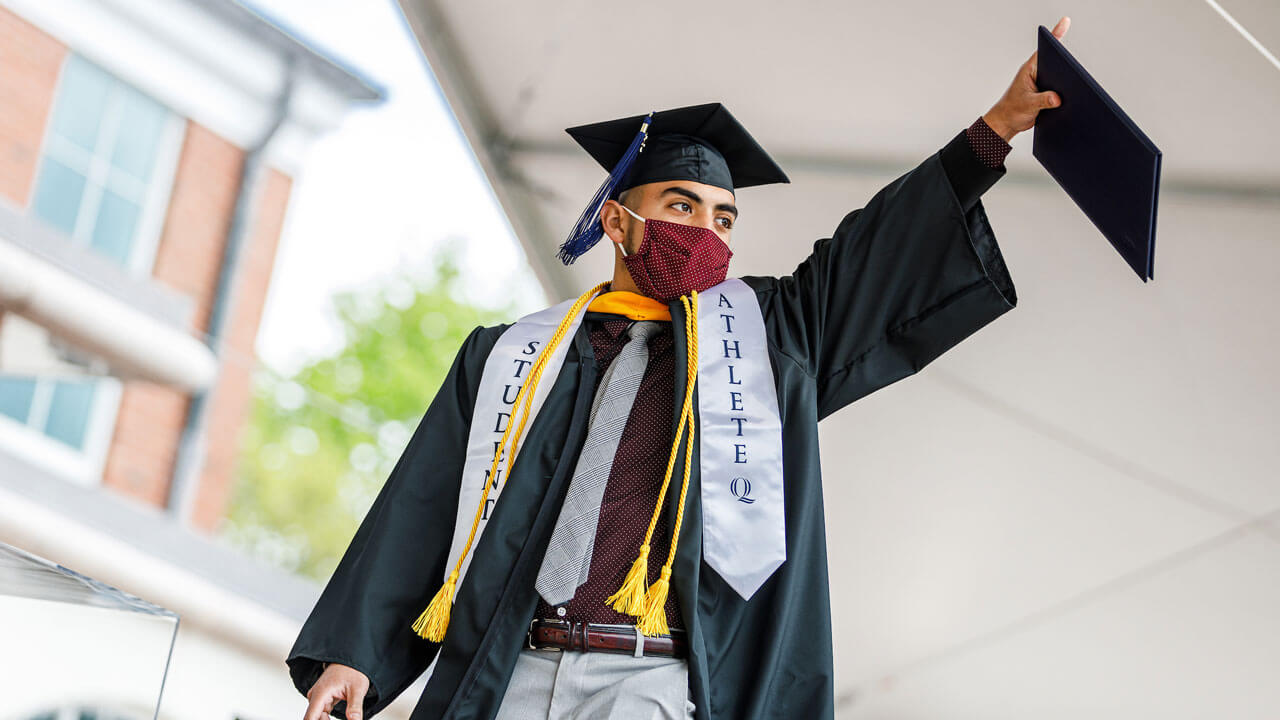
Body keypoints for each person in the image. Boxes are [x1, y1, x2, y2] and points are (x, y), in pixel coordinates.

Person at [290, 16, 1071, 720]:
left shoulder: (766, 341)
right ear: (619, 222)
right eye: (682, 207)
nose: (707, 233)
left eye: (723, 217)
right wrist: (355, 652)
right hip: (510, 668)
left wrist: (995, 130)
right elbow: (425, 505)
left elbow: (879, 252)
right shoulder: (511, 357)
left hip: (650, 681)